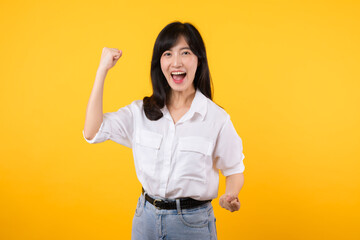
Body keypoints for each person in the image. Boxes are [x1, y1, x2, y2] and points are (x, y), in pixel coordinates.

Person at [83, 21, 245, 240]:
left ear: (199, 60)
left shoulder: (216, 118)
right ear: (159, 62)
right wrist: (102, 70)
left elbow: (234, 168)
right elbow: (93, 131)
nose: (176, 62)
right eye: (167, 54)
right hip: (145, 219)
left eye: (185, 52)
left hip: (192, 225)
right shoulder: (140, 112)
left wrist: (231, 194)